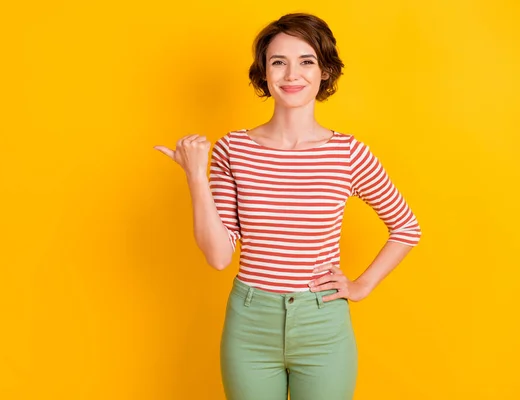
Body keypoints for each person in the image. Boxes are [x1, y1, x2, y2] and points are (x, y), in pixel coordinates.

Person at [154, 12, 421, 400]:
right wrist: (196, 176)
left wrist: (361, 286)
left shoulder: (348, 154)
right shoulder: (234, 149)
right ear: (263, 73)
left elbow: (406, 227)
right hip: (250, 322)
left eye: (306, 61)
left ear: (326, 71)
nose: (291, 74)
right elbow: (218, 255)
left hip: (323, 325)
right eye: (278, 62)